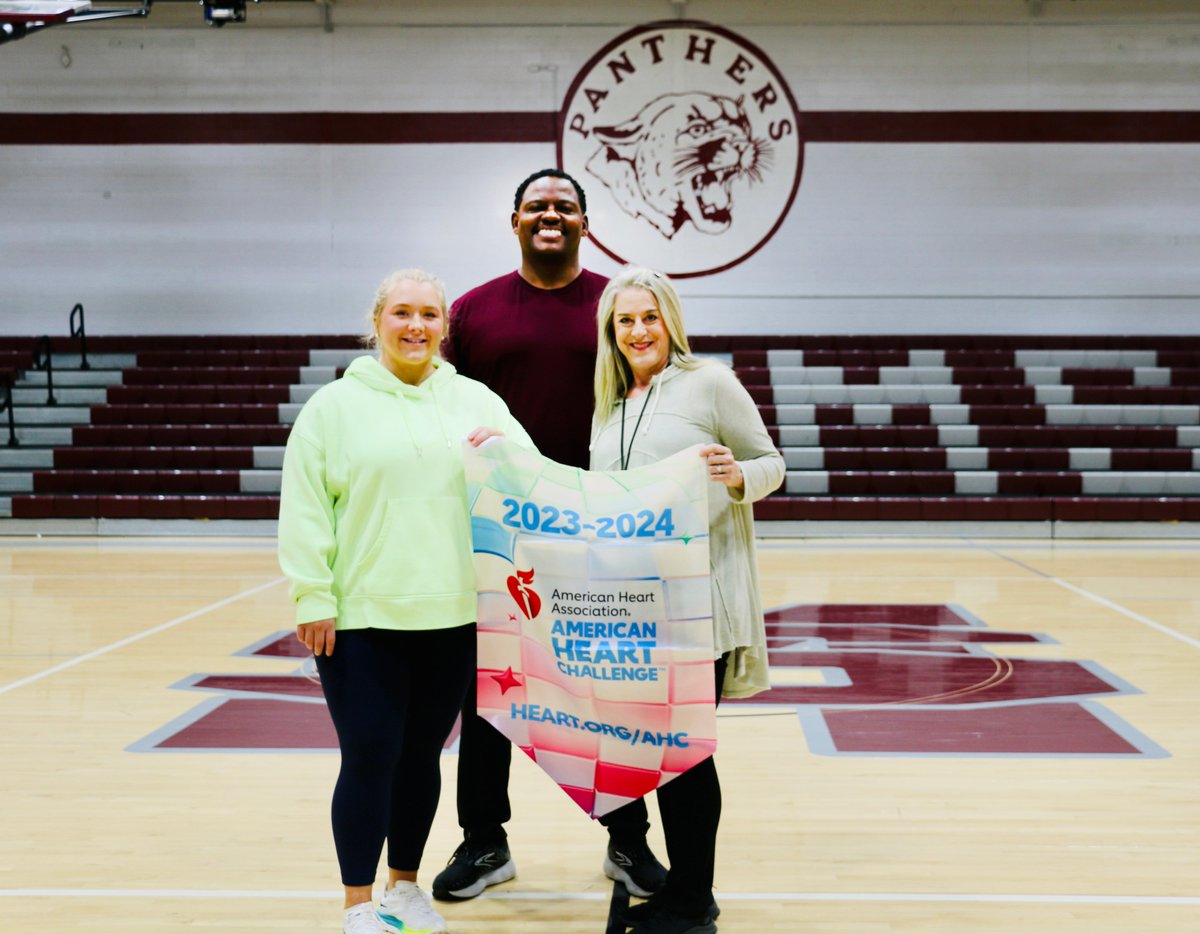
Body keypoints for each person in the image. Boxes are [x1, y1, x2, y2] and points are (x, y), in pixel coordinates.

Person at [433, 169, 669, 902]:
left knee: (609, 692)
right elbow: (443, 415)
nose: (551, 216)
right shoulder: (471, 312)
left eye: (565, 207)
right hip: (499, 531)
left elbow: (657, 397)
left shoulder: (613, 306)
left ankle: (628, 842)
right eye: (538, 206)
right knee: (490, 694)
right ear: (514, 221)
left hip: (599, 527)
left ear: (584, 222)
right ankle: (484, 841)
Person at [278, 269, 534, 934]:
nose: (415, 325)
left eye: (428, 314)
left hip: (452, 617)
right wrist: (313, 596)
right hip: (362, 619)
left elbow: (532, 478)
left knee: (422, 758)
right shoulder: (334, 408)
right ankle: (357, 902)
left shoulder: (476, 400)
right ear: (378, 322)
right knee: (368, 755)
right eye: (401, 313)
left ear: (446, 327)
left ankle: (404, 888)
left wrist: (506, 454)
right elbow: (305, 509)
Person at [589, 267, 785, 934]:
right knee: (650, 752)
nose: (639, 331)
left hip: (698, 604)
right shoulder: (609, 402)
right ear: (610, 332)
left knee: (685, 755)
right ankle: (679, 886)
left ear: (669, 320)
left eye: (649, 317)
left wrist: (740, 474)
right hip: (631, 611)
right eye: (626, 321)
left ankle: (694, 900)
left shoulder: (711, 383)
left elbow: (772, 463)